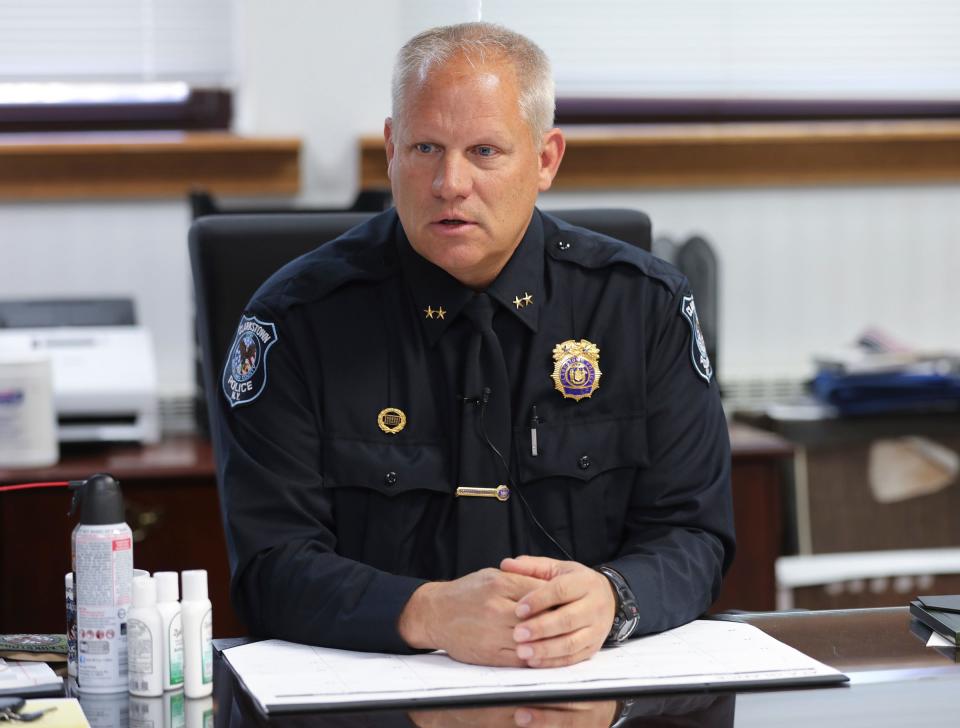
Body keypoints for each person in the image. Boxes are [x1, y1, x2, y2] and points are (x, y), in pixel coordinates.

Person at [214, 22, 734, 669]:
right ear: (390, 149)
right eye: (426, 147)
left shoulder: (641, 307)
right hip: (377, 697)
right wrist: (425, 611)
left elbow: (694, 532)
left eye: (484, 152)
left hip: (583, 686)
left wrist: (612, 598)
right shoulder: (296, 322)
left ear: (546, 160)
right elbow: (270, 563)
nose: (449, 183)